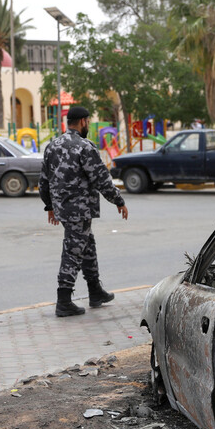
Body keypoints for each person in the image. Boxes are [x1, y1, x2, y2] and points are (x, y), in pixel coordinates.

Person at [40, 106, 129, 317]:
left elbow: (43, 180)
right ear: (82, 122)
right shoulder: (85, 147)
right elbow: (101, 179)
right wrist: (118, 200)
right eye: (87, 122)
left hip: (63, 208)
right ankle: (64, 301)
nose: (87, 125)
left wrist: (50, 206)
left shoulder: (52, 146)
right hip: (80, 210)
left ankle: (95, 291)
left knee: (87, 245)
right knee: (73, 251)